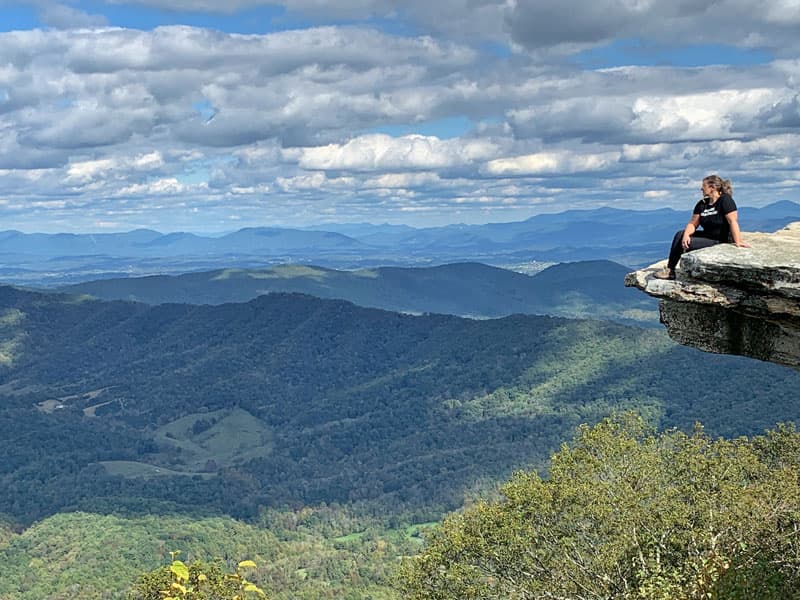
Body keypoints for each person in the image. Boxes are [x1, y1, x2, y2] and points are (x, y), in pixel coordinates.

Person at [653, 175, 750, 280]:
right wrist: (686, 235)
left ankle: (674, 269)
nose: (701, 189)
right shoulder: (702, 204)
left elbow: (732, 221)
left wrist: (738, 241)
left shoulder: (725, 200)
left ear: (712, 187)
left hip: (720, 239)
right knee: (679, 235)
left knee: (687, 243)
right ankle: (670, 270)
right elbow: (693, 223)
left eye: (704, 186)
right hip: (708, 236)